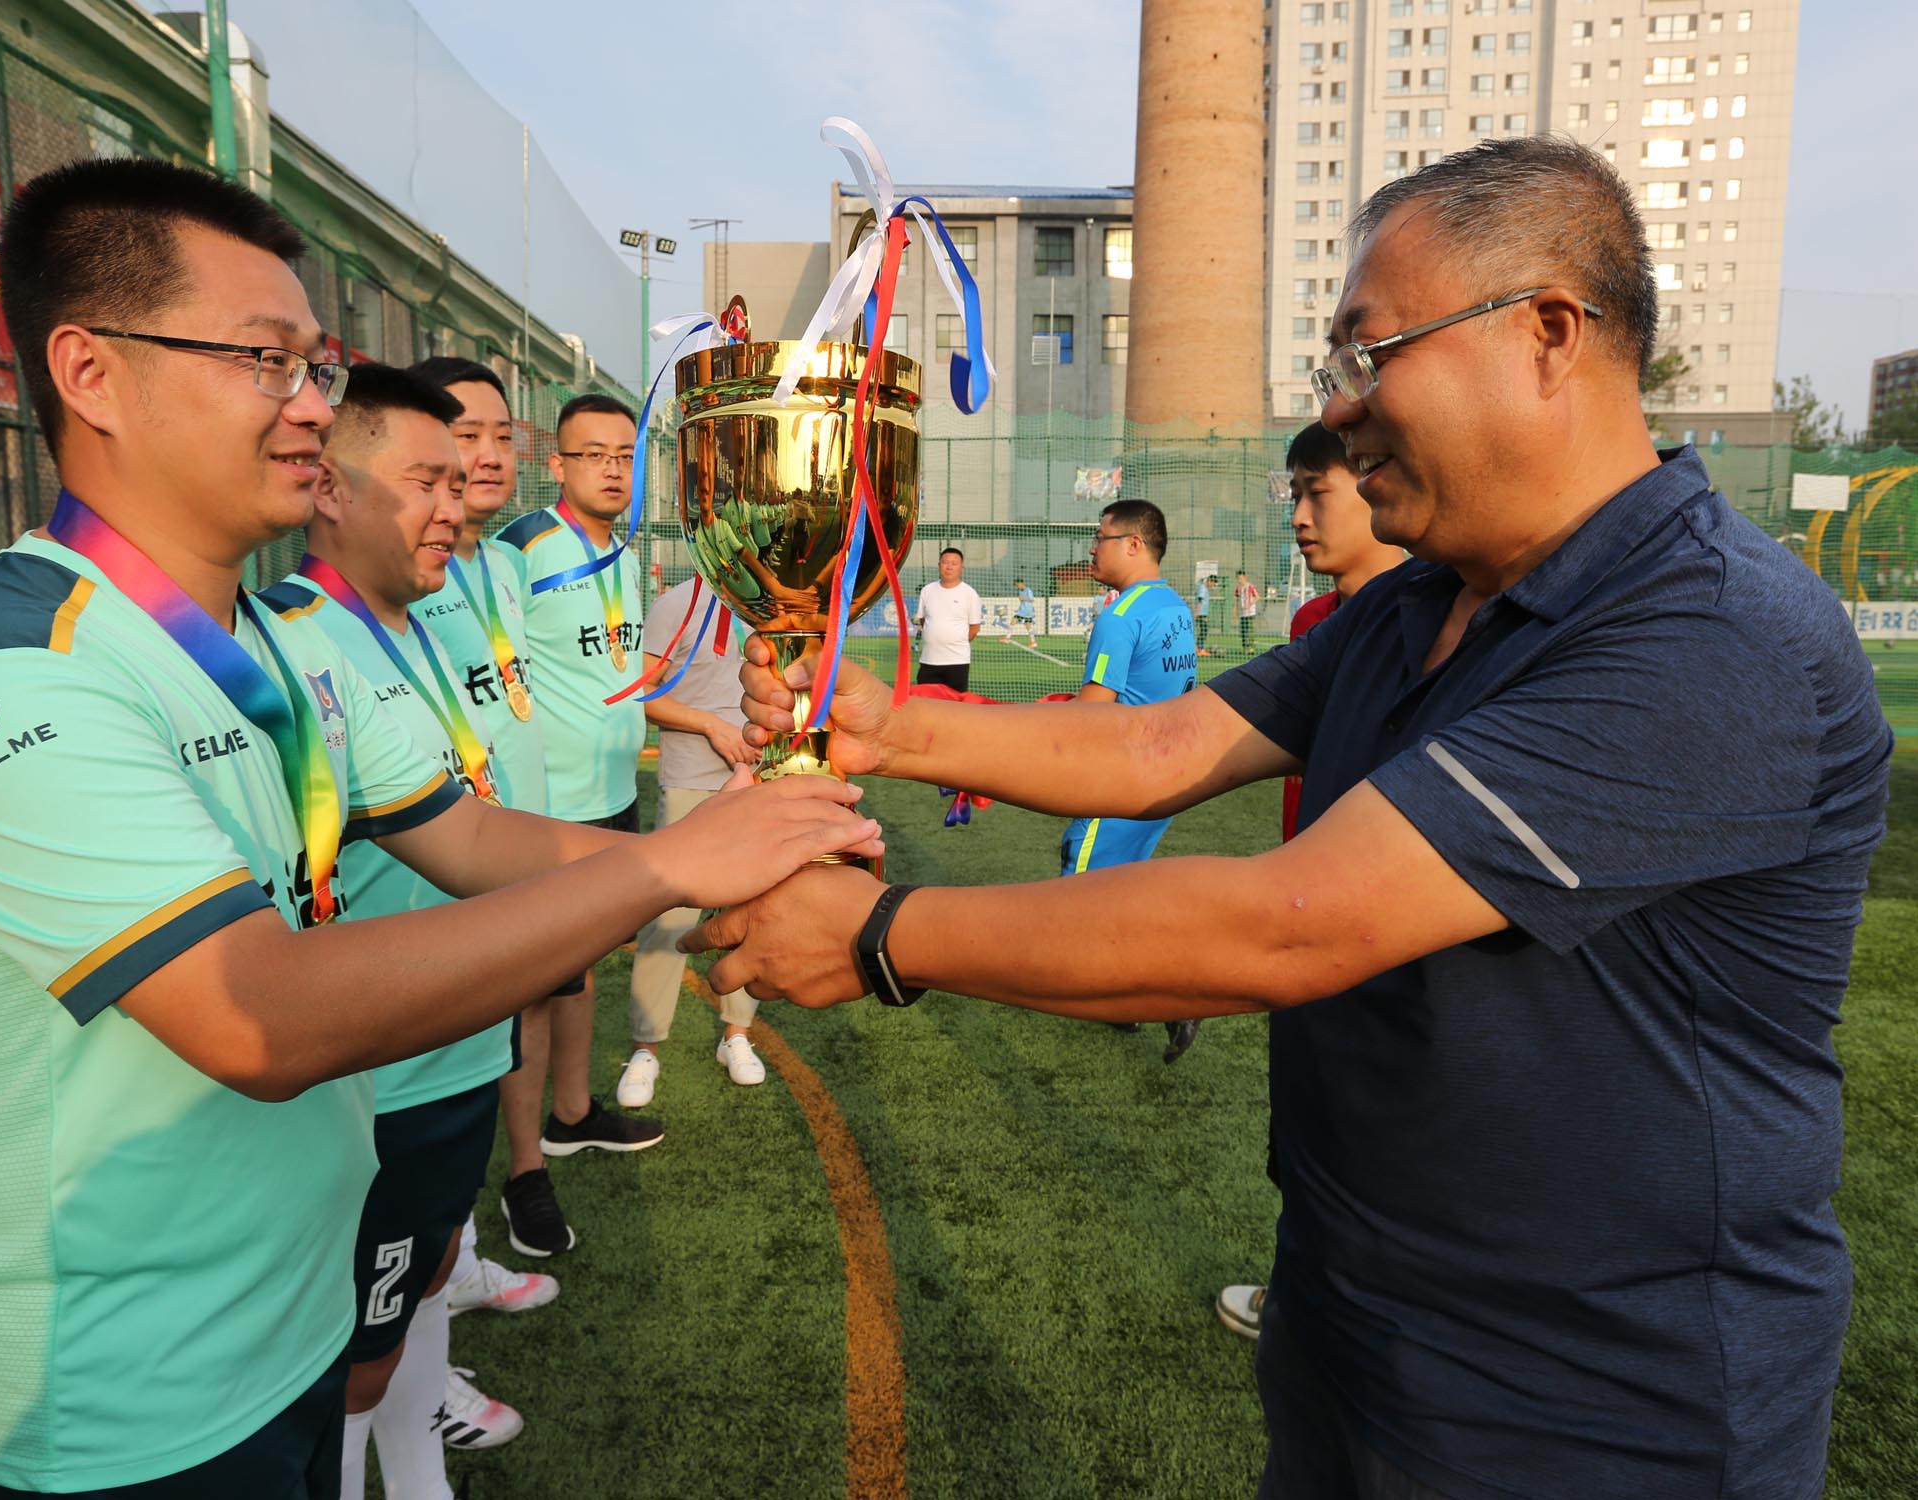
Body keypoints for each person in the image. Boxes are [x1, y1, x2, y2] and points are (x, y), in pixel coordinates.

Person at [695, 135, 1892, 1500]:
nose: (1342, 410)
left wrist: (880, 936)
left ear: (1549, 333)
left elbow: (1291, 925)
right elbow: (1164, 745)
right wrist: (891, 725)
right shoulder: (1417, 601)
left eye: (1370, 355)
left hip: (1603, 1399)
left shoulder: (1711, 634)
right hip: (1359, 1311)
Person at [0, 156, 880, 1500]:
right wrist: (677, 866)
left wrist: (742, 835)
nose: (308, 405)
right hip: (107, 1416)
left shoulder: (275, 648)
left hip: (285, 1327)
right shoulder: (9, 668)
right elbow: (261, 1018)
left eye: (315, 365)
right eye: (264, 360)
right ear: (91, 373)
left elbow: (472, 840)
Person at [261, 363, 541, 1491]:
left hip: (463, 1040)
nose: (454, 505)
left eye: (459, 481)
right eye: (427, 481)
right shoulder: (290, 642)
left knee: (429, 1282)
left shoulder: (419, 625)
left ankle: (421, 1480)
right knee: (355, 1358)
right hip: (384, 1078)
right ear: (329, 485)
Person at [1216, 419, 1411, 1342]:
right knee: (1302, 1128)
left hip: (1385, 923)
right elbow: (1177, 744)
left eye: (1316, 492)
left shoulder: (1441, 627)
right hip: (1306, 910)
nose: (1298, 515)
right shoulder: (1312, 627)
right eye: (1292, 493)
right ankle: (1300, 1293)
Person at [406, 355, 566, 1341]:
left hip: (523, 841)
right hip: (445, 861)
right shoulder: (398, 577)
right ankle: (439, 1257)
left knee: (522, 1011)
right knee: (437, 1061)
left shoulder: (503, 565)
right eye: (466, 434)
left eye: (504, 434)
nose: (492, 453)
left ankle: (515, 1183)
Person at [493, 393, 658, 1258]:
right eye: (593, 454)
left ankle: (571, 1114)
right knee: (530, 985)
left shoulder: (622, 555)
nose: (613, 470)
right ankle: (524, 1172)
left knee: (581, 968)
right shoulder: (519, 550)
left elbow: (619, 671)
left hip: (613, 797)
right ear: (556, 465)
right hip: (548, 810)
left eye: (625, 456)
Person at [618, 574, 766, 1109]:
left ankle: (737, 1035)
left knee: (751, 912)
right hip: (689, 780)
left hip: (761, 779)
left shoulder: (768, 603)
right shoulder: (676, 604)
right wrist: (711, 726)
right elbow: (640, 694)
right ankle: (645, 1047)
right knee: (671, 916)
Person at [1061, 501, 1199, 1061]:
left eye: (1101, 537)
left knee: (1078, 895)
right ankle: (1123, 1001)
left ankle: (1175, 991)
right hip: (1167, 777)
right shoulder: (1176, 607)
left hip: (1120, 779)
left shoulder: (1121, 615)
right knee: (1117, 886)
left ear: (1134, 544)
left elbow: (1093, 713)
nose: (1093, 548)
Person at [913, 546, 982, 693]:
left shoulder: (969, 593)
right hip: (929, 660)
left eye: (954, 563)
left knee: (955, 703)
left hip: (957, 661)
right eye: (945, 562)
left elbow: (974, 628)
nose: (949, 567)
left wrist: (954, 641)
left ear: (961, 568)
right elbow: (924, 621)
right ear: (939, 565)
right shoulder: (927, 590)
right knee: (926, 701)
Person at [1004, 577, 1038, 647]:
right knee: (1028, 626)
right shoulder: (1020, 591)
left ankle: (1007, 637)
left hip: (1026, 610)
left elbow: (1032, 600)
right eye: (1016, 585)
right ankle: (1033, 642)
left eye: (1017, 585)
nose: (1017, 586)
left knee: (1013, 621)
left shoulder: (1028, 590)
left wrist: (1023, 599)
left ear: (1021, 583)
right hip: (1023, 610)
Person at [1231, 568, 1259, 652]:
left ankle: (1251, 647)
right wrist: (1234, 610)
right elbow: (1236, 599)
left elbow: (1257, 597)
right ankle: (1245, 648)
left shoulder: (1250, 586)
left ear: (1245, 577)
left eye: (1240, 578)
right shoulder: (1238, 588)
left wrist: (1249, 604)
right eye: (1238, 578)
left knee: (1249, 630)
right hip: (1242, 613)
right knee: (1243, 631)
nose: (1239, 580)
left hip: (1250, 612)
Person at [1194, 574, 1213, 652]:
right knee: (1203, 630)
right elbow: (1200, 600)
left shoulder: (1205, 588)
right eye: (1213, 584)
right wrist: (1197, 612)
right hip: (1200, 613)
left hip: (1203, 613)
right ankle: (1200, 648)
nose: (1212, 586)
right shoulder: (1203, 588)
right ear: (1209, 581)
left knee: (1203, 630)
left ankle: (1199, 648)